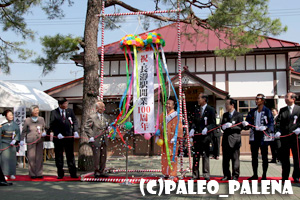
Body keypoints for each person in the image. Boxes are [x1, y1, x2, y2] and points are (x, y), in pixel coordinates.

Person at [243, 93, 274, 180]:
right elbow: (248, 122)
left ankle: (264, 175)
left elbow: (271, 122)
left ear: (263, 100)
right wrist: (246, 123)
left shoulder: (267, 111)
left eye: (258, 99)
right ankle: (255, 174)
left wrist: (266, 127)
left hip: (263, 136)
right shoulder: (253, 111)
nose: (256, 100)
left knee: (264, 156)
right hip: (254, 135)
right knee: (254, 156)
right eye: (256, 99)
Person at [50, 97, 79, 179]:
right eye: (64, 104)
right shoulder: (54, 112)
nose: (66, 105)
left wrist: (75, 131)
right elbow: (52, 124)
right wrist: (57, 133)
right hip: (59, 137)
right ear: (60, 105)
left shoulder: (70, 111)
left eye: (67, 103)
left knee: (70, 155)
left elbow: (75, 121)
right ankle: (60, 173)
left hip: (69, 136)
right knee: (59, 155)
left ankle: (73, 173)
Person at [189, 93, 216, 181]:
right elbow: (193, 121)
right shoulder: (197, 109)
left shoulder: (211, 109)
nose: (198, 100)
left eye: (199, 98)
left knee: (205, 155)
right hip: (197, 136)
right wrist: (192, 129)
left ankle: (206, 174)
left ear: (204, 99)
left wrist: (207, 128)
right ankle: (195, 174)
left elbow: (213, 123)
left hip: (206, 137)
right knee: (196, 156)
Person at [275, 92, 300, 183]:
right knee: (285, 158)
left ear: (293, 99)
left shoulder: (299, 109)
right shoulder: (282, 110)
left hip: (296, 137)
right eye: (285, 97)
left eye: (287, 97)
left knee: (297, 158)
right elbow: (278, 122)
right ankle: (285, 177)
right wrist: (277, 131)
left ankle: (296, 176)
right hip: (285, 138)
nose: (285, 98)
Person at [158, 97, 183, 179]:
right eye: (167, 103)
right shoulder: (162, 115)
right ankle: (165, 173)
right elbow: (159, 126)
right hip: (164, 139)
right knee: (164, 156)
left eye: (169, 104)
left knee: (172, 156)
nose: (167, 105)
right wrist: (157, 134)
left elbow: (179, 127)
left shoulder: (176, 115)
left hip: (172, 139)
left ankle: (172, 173)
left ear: (173, 105)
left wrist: (176, 136)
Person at [85, 101, 111, 178]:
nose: (103, 109)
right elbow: (86, 127)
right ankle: (96, 172)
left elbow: (108, 126)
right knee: (96, 156)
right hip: (96, 139)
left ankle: (102, 171)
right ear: (97, 108)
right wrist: (91, 136)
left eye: (104, 107)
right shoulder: (92, 116)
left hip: (104, 139)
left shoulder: (106, 117)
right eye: (101, 107)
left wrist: (109, 129)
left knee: (103, 156)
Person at [20, 105, 46, 179]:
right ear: (31, 111)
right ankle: (32, 173)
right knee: (31, 157)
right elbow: (24, 131)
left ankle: (39, 173)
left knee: (39, 157)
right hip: (30, 140)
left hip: (40, 139)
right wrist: (22, 140)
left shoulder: (41, 119)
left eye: (38, 110)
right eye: (35, 110)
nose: (37, 112)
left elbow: (44, 128)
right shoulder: (27, 120)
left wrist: (44, 132)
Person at [221, 98, 243, 181]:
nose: (225, 106)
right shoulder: (225, 115)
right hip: (226, 139)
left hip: (235, 139)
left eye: (227, 104)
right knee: (225, 160)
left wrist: (232, 126)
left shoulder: (238, 115)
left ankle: (235, 175)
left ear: (232, 105)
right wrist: (223, 127)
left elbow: (241, 127)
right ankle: (226, 175)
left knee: (235, 159)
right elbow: (222, 125)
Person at [0, 109, 20, 180]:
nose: (11, 116)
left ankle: (12, 173)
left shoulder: (15, 124)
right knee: (4, 159)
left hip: (12, 143)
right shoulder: (2, 124)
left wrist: (15, 140)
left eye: (12, 115)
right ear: (6, 116)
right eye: (9, 115)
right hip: (4, 142)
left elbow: (18, 133)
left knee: (12, 159)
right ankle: (4, 174)